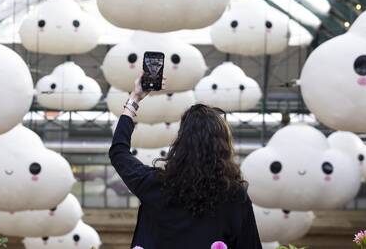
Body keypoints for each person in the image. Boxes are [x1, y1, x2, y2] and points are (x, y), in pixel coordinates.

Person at [109, 77, 263, 249]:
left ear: (180, 144)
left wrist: (134, 99)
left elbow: (118, 152)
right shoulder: (235, 197)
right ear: (223, 148)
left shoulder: (155, 185)